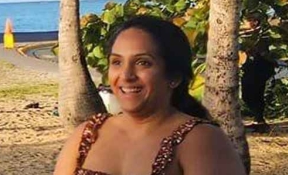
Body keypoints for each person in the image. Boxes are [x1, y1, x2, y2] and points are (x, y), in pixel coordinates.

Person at [53, 16, 244, 175]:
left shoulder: (201, 140)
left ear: (174, 77)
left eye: (143, 63)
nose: (126, 75)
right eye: (117, 62)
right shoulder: (87, 135)